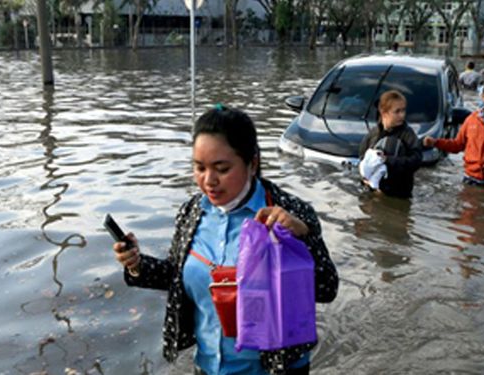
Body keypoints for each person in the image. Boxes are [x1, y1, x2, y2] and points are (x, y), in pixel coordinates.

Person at [112, 106, 339, 375]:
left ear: (252, 162)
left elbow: (326, 289)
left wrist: (302, 239)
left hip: (276, 369)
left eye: (222, 169)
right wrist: (137, 265)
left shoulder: (290, 213)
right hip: (208, 366)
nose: (209, 181)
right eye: (199, 168)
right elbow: (176, 275)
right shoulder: (191, 213)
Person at [358, 90, 423, 198]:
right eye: (397, 111)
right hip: (372, 194)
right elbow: (362, 159)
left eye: (403, 110)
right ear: (384, 112)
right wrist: (364, 178)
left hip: (399, 196)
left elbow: (416, 161)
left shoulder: (408, 135)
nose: (402, 115)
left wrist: (388, 160)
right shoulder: (373, 134)